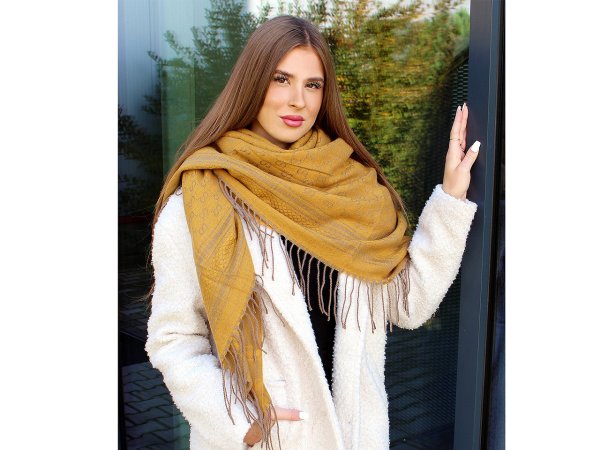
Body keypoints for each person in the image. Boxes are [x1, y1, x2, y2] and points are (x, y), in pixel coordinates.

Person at [145, 15, 480, 450]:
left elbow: (409, 305)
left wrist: (451, 198)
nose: (297, 100)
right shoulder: (201, 200)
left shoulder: (351, 187)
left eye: (313, 85)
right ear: (252, 82)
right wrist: (241, 422)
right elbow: (173, 339)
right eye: (281, 79)